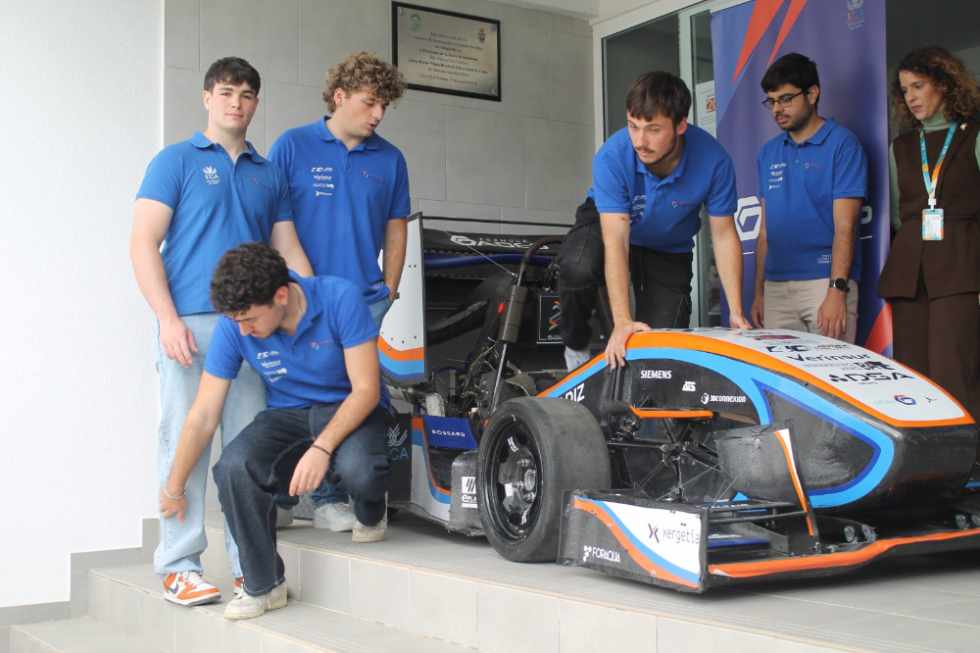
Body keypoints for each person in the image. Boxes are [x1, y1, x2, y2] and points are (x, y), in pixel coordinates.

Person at [130, 57, 312, 607]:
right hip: (190, 326)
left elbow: (287, 249)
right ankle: (179, 564)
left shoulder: (268, 173)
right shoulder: (175, 161)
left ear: (256, 103)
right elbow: (143, 243)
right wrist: (167, 319)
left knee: (248, 451)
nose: (237, 103)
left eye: (247, 95)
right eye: (228, 92)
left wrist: (314, 307)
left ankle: (247, 566)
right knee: (184, 442)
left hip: (253, 331)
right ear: (208, 97)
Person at [159, 243, 390, 620]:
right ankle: (265, 586)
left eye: (250, 319)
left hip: (348, 405)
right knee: (234, 466)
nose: (244, 329)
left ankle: (371, 509)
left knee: (360, 472)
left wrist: (322, 449)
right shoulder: (236, 327)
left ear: (281, 296)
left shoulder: (339, 298)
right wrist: (174, 488)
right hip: (288, 414)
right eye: (237, 321)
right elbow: (203, 414)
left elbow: (366, 390)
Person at [269, 51, 410, 531]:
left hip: (364, 301)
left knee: (353, 396)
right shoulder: (292, 146)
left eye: (385, 106)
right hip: (301, 300)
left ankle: (340, 498)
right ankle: (295, 497)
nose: (378, 114)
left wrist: (389, 288)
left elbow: (396, 226)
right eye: (370, 102)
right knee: (299, 395)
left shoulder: (390, 159)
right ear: (339, 96)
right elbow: (275, 221)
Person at [558, 71, 750, 370]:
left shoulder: (714, 161)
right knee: (577, 267)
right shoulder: (612, 156)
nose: (640, 141)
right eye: (633, 126)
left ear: (681, 125)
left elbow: (724, 235)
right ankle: (575, 345)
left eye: (653, 129)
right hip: (610, 223)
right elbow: (616, 240)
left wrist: (736, 311)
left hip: (667, 243)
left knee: (663, 346)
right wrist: (622, 321)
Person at [879, 46, 980, 419]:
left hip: (960, 266)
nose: (911, 97)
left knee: (955, 370)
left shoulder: (973, 136)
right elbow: (897, 214)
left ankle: (966, 450)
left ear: (945, 84)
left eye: (918, 86)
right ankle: (926, 450)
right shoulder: (901, 147)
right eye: (905, 90)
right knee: (914, 373)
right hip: (910, 270)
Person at [749, 53, 868, 342]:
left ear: (812, 94)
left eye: (786, 99)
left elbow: (845, 227)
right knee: (778, 372)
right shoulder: (768, 152)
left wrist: (837, 290)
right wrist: (759, 292)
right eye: (771, 101)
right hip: (776, 287)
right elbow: (764, 231)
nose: (777, 109)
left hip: (824, 283)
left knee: (831, 369)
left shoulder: (843, 144)